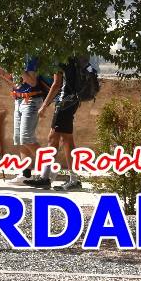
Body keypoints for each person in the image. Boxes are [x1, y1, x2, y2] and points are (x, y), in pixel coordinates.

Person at [25, 56, 83, 191]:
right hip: (73, 100)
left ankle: (50, 179)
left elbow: (57, 84)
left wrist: (44, 105)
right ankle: (71, 179)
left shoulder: (60, 56)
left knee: (57, 138)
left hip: (64, 102)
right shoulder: (72, 56)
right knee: (63, 139)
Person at [0, 56, 46, 183]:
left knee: (26, 138)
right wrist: (2, 74)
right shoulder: (16, 57)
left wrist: (18, 68)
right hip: (19, 100)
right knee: (19, 139)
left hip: (31, 101)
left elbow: (32, 82)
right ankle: (26, 174)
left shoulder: (30, 57)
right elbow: (17, 84)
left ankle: (47, 165)